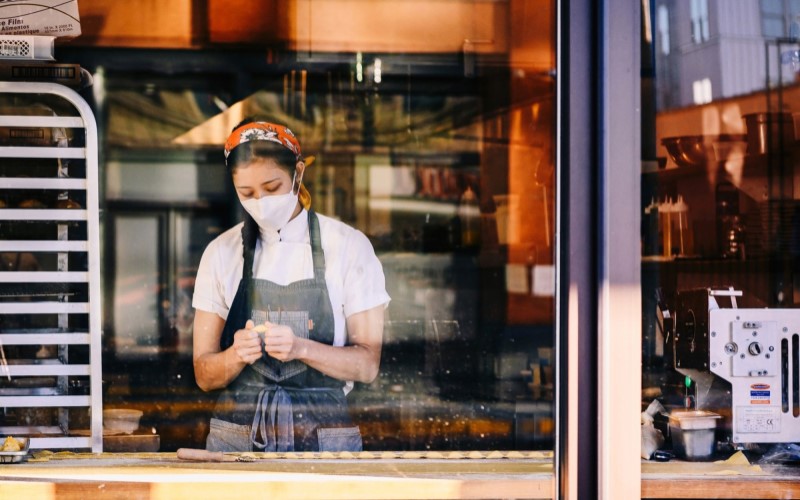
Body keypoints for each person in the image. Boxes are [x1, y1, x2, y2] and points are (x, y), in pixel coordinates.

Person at [192, 119, 390, 452]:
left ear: (298, 173)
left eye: (271, 188)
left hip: (325, 442)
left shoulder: (348, 247)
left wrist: (301, 349)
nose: (260, 201)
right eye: (247, 193)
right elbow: (204, 374)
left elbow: (367, 365)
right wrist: (237, 354)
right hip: (237, 442)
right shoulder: (221, 254)